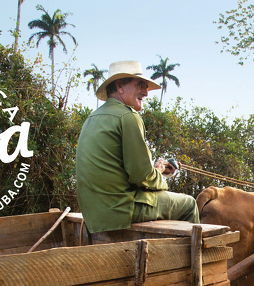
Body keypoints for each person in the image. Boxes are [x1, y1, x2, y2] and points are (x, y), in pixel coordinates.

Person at [75, 60, 199, 233]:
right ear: (119, 86)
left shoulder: (92, 118)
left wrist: (157, 169)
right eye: (140, 85)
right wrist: (160, 178)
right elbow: (141, 176)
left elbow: (127, 171)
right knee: (189, 204)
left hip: (95, 214)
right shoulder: (128, 117)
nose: (146, 93)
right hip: (121, 210)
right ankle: (189, 260)